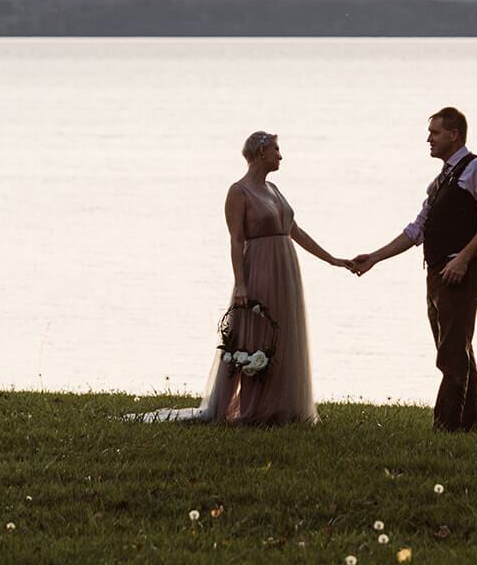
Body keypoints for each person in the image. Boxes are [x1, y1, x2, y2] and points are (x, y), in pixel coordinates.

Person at [131, 131, 347, 425]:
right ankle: (252, 407)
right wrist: (241, 282)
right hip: (258, 268)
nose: (280, 156)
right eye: (276, 150)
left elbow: (294, 231)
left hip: (286, 270)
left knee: (283, 333)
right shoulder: (238, 192)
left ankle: (281, 406)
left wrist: (333, 259)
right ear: (261, 152)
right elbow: (235, 240)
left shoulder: (274, 189)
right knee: (254, 333)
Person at [352, 107, 477, 432]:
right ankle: (468, 426)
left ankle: (445, 429)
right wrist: (375, 258)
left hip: (460, 272)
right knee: (457, 348)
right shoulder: (441, 180)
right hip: (436, 274)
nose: (428, 139)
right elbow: (416, 230)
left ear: (454, 134)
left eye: (435, 133)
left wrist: (463, 259)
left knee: (451, 353)